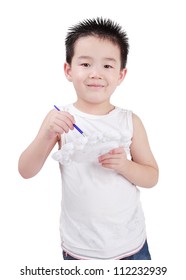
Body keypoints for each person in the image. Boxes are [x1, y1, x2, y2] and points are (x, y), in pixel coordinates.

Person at [18, 17, 159, 260]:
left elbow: (152, 177)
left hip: (131, 244)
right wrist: (47, 133)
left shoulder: (129, 121)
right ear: (68, 70)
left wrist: (125, 166)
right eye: (85, 64)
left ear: (121, 74)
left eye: (107, 66)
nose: (96, 74)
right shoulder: (59, 119)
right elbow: (25, 170)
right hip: (79, 249)